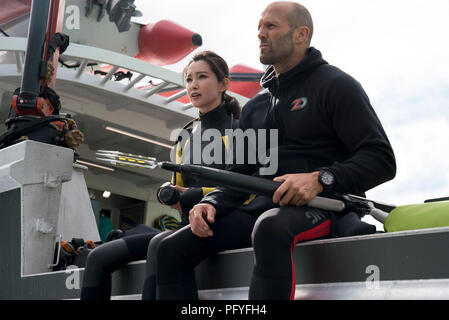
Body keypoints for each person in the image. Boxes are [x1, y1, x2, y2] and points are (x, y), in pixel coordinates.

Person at [152, 1, 396, 300]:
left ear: (301, 34)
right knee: (169, 249)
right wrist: (212, 201)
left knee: (270, 227)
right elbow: (239, 175)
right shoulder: (256, 107)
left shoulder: (336, 85)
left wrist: (321, 178)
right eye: (259, 27)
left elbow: (381, 159)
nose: (260, 34)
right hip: (262, 209)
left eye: (271, 26)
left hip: (324, 207)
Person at [80, 50, 240, 300]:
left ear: (223, 84)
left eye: (202, 77)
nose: (193, 85)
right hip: (184, 225)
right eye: (188, 79)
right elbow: (178, 193)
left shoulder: (239, 130)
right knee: (97, 257)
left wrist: (195, 195)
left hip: (220, 225)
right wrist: (169, 194)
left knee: (158, 245)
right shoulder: (185, 136)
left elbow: (241, 189)